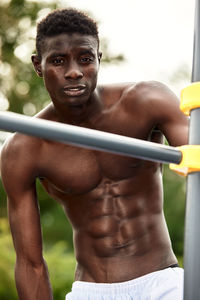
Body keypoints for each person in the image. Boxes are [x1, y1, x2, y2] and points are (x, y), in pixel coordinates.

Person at [0, 8, 188, 300]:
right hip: (92, 290)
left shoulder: (146, 101)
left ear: (99, 59)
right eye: (58, 61)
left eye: (85, 58)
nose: (74, 71)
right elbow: (30, 263)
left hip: (163, 284)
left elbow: (197, 163)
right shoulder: (24, 148)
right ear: (38, 65)